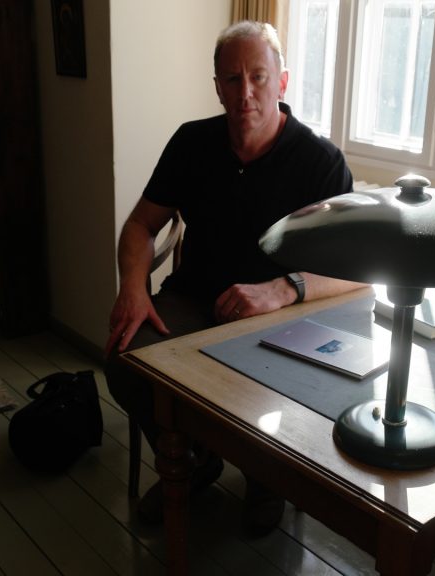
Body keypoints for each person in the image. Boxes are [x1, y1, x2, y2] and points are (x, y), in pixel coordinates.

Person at [104, 20, 364, 537]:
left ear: (282, 83)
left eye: (258, 77)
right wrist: (132, 288)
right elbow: (139, 224)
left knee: (263, 383)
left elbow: (357, 269)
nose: (244, 93)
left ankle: (265, 477)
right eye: (231, 79)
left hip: (281, 318)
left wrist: (283, 289)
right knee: (123, 357)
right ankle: (195, 462)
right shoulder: (191, 142)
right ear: (217, 85)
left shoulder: (320, 161)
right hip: (194, 299)